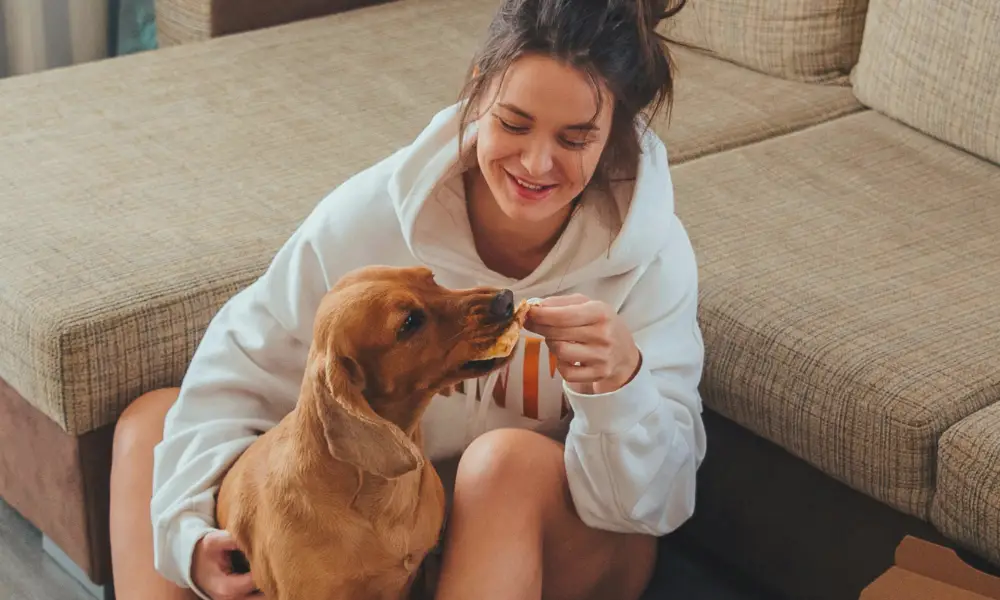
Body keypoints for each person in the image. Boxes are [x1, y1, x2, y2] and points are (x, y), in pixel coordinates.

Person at [108, 0, 707, 598]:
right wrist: (188, 540)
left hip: (556, 544)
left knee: (501, 464)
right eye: (514, 124)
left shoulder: (651, 259)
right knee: (149, 427)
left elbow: (654, 507)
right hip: (370, 543)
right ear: (478, 89)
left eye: (575, 139)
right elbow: (244, 368)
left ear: (616, 133)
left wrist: (622, 389)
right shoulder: (370, 218)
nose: (535, 162)